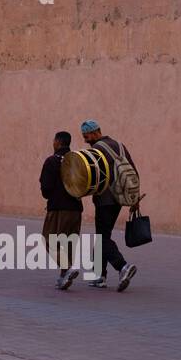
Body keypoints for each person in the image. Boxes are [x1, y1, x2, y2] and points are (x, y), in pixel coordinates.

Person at [80, 119, 138, 291]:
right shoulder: (120, 145)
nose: (85, 139)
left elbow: (90, 176)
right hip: (119, 199)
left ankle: (123, 267)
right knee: (102, 235)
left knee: (102, 238)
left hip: (105, 200)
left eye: (87, 135)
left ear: (96, 131)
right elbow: (133, 170)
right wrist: (134, 199)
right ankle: (99, 276)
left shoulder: (97, 149)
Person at [40, 131, 83, 290]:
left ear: (57, 142)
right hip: (76, 209)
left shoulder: (51, 162)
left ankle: (68, 269)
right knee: (69, 243)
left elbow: (46, 188)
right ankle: (64, 277)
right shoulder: (77, 161)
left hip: (58, 208)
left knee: (49, 241)